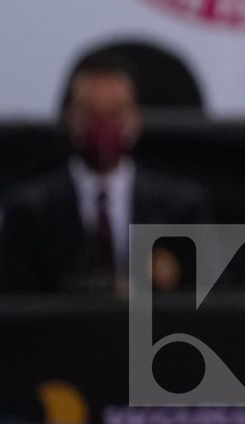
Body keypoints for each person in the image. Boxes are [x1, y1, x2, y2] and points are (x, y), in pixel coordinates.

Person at [0, 51, 210, 295]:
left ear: (135, 119)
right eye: (90, 113)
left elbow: (209, 301)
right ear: (70, 118)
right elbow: (15, 304)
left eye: (115, 113)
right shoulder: (29, 210)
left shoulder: (181, 208)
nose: (103, 126)